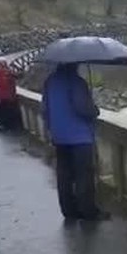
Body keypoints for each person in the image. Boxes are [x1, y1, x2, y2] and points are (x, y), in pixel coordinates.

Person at [42, 63, 109, 222]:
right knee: (83, 175)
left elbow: (44, 109)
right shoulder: (76, 82)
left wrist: (51, 129)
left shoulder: (50, 81)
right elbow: (83, 108)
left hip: (59, 136)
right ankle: (88, 211)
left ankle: (69, 210)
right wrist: (95, 109)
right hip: (80, 137)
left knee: (64, 174)